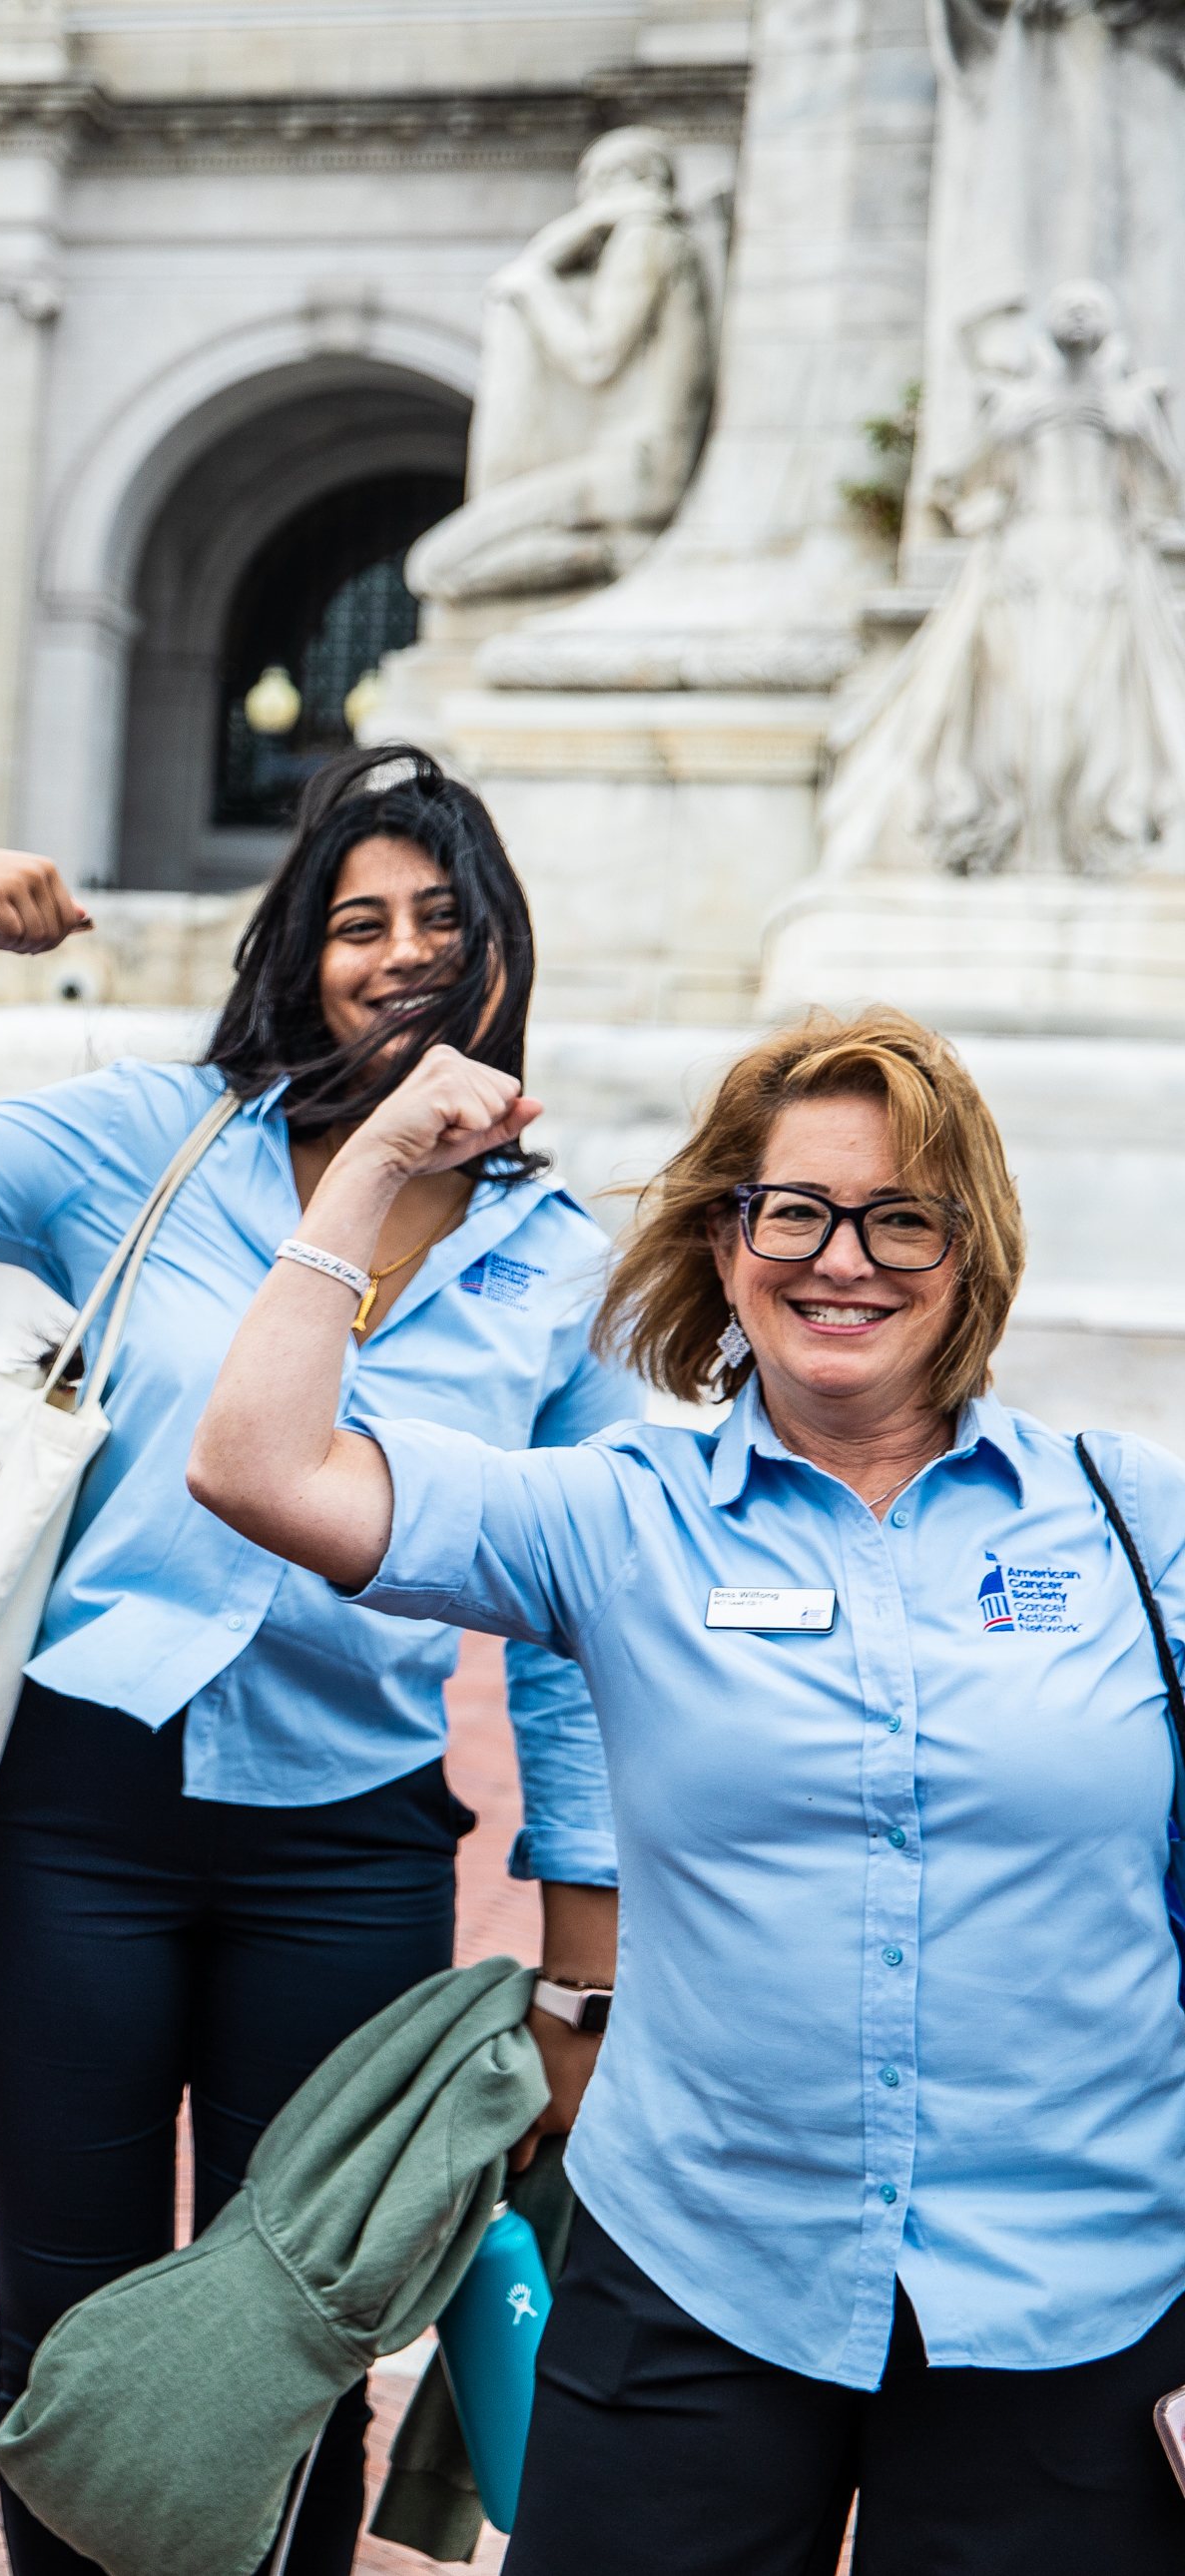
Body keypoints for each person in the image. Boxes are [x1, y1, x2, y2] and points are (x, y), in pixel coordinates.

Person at [187, 1005, 1185, 2568]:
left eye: (899, 1217)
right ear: (729, 1246)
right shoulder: (623, 1516)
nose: (840, 1256)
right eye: (792, 1209)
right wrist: (371, 1163)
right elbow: (260, 1465)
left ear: (971, 1252)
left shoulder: (1132, 1517)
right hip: (704, 2274)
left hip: (1078, 2292)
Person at [0, 745, 633, 2573]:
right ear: (296, 957)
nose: (397, 953)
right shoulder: (150, 1144)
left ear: (500, 962)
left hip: (349, 1843)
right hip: (72, 1819)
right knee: (74, 2311)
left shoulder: (562, 1265)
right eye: (355, 922)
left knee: (300, 2333)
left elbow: (578, 1627)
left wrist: (582, 1950)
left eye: (437, 919)